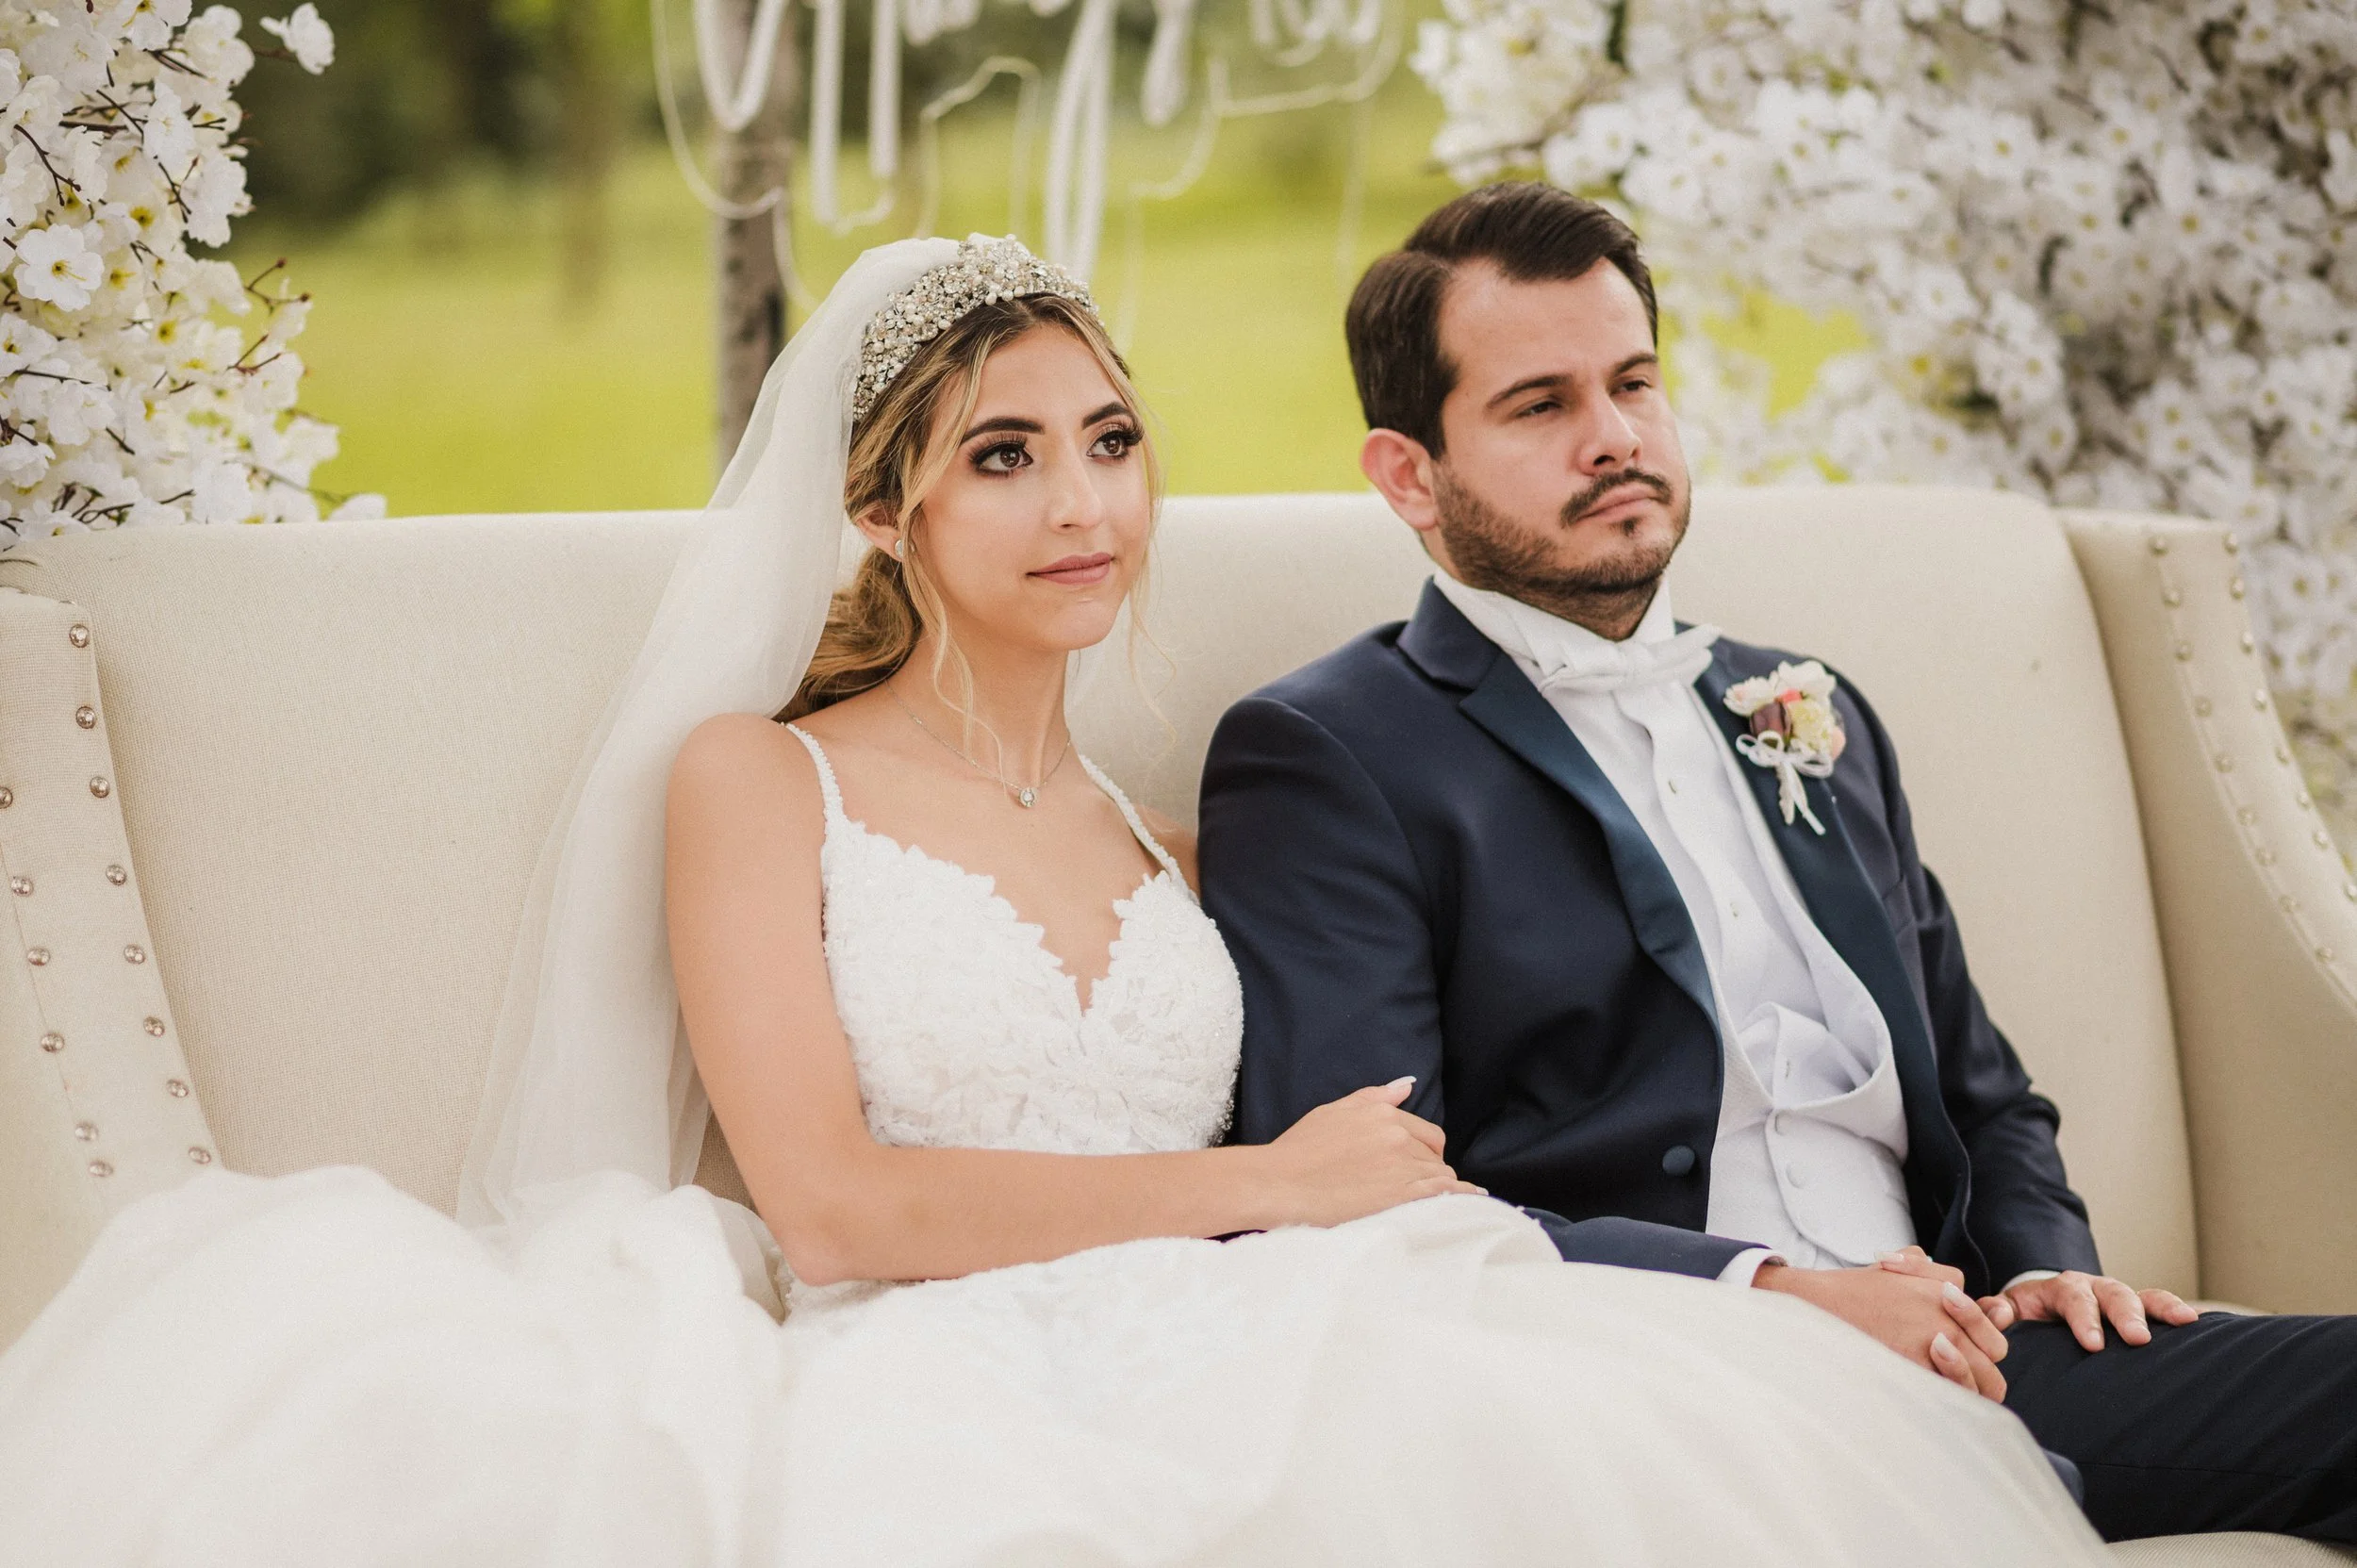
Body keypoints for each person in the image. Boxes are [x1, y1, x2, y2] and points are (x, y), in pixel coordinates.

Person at [0, 236, 2103, 1565]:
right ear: (882, 506)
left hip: (1248, 1327)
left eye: (1109, 440)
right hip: (932, 1367)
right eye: (1001, 456)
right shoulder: (759, 782)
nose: (1081, 502)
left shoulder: (1165, 833)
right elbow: (831, 1204)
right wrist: (1261, 1188)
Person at [1199, 181, 2357, 1546]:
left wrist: (2052, 1271)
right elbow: (1370, 1207)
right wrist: (1772, 1291)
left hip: (1980, 1351)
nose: (1615, 435)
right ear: (1409, 474)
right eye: (1541, 405)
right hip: (1664, 1383)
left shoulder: (1807, 707)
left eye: (1634, 382)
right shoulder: (1329, 752)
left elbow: (1984, 1097)